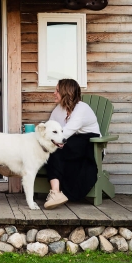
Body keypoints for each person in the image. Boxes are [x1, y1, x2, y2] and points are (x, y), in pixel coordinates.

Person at [43, 78, 101, 209]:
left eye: (57, 90)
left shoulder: (82, 109)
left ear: (66, 92)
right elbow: (48, 128)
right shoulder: (59, 109)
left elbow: (64, 134)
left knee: (52, 148)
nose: (54, 93)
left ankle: (55, 192)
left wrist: (50, 141)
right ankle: (18, 165)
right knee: (50, 147)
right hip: (69, 142)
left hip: (89, 144)